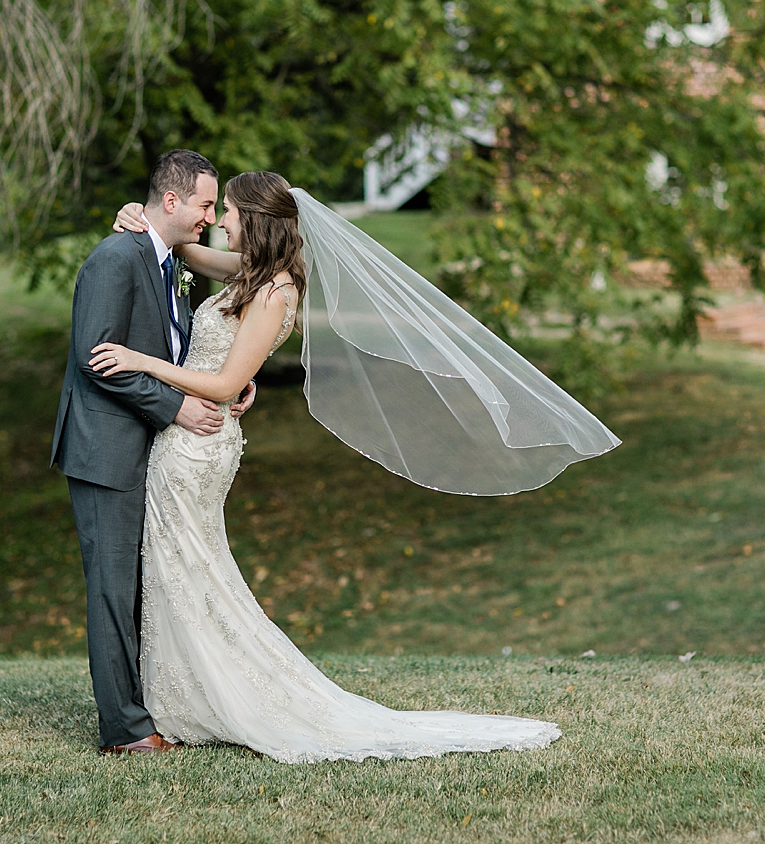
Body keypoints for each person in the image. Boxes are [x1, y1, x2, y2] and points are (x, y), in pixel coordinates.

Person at [91, 169, 616, 763]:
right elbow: (177, 246)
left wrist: (141, 361)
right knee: (183, 570)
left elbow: (227, 380)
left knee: (193, 569)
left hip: (199, 444)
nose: (218, 222)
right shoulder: (252, 275)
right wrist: (137, 216)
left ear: (256, 220)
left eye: (229, 212)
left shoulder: (273, 291)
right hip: (194, 442)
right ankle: (179, 697)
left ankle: (213, 696)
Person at [49, 149, 255, 756]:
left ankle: (151, 707)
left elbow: (175, 346)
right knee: (113, 587)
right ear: (171, 201)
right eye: (204, 204)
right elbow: (97, 355)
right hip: (105, 449)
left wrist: (228, 381)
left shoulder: (168, 262)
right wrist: (176, 408)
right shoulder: (115, 258)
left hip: (149, 448)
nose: (211, 217)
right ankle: (126, 731)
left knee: (145, 584)